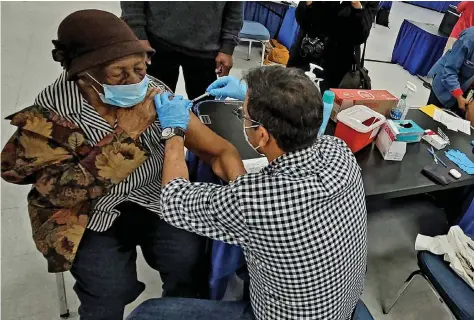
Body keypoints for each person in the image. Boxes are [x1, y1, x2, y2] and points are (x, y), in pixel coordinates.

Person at [0, 10, 245, 320]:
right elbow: (59, 194)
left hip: (155, 199)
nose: (134, 82)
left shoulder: (153, 93)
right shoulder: (50, 117)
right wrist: (124, 138)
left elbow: (219, 151)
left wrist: (243, 198)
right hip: (90, 212)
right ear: (84, 74)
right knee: (107, 290)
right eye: (120, 73)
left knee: (187, 261)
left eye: (140, 68)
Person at [127, 66, 368, 320]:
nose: (241, 116)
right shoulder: (339, 151)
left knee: (146, 314)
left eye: (242, 114)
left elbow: (173, 199)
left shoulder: (256, 200)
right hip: (340, 306)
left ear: (262, 136)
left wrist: (174, 130)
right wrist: (257, 98)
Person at [121, 1, 243, 100]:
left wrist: (227, 47)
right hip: (156, 42)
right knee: (151, 105)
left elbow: (235, 7)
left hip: (206, 47)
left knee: (204, 110)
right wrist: (138, 34)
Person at [287, 1, 378, 93]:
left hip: (338, 67)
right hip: (305, 57)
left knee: (325, 103)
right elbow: (301, 18)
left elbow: (361, 35)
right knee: (289, 95)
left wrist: (356, 6)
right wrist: (309, 3)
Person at [427, 26, 474, 125]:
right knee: (430, 123)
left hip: (464, 86)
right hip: (444, 85)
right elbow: (449, 70)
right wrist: (459, 97)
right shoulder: (468, 39)